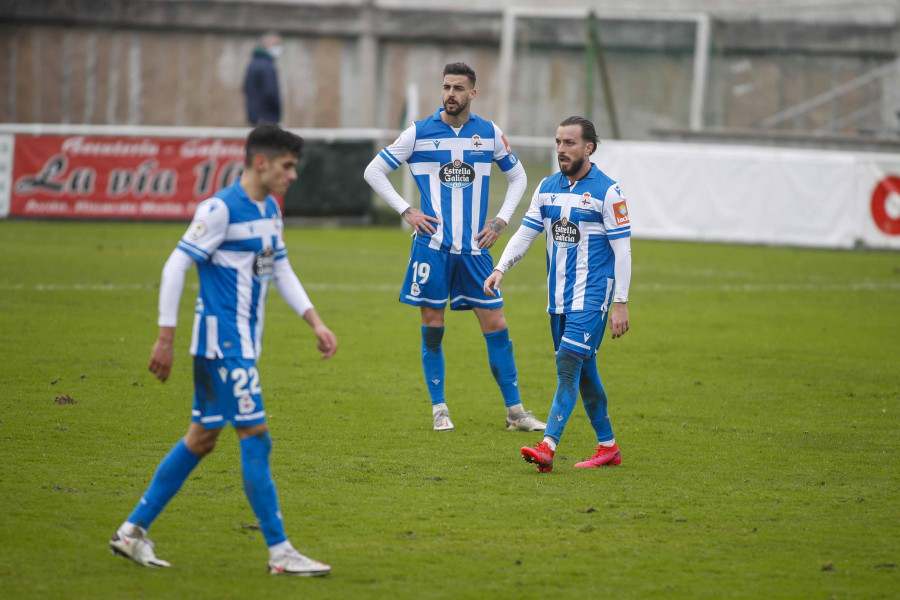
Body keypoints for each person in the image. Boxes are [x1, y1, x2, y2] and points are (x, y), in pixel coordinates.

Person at [110, 124, 336, 576]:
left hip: (241, 346)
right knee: (255, 436)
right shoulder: (219, 210)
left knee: (202, 438)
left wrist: (314, 320)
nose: (293, 175)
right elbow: (176, 264)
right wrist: (165, 337)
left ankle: (132, 533)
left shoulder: (270, 209)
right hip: (222, 346)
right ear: (261, 162)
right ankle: (280, 551)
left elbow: (279, 267)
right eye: (287, 166)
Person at [363, 62, 545, 433]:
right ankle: (439, 408)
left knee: (497, 324)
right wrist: (407, 210)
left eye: (458, 88)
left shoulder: (489, 134)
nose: (450, 94)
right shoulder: (419, 133)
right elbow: (373, 171)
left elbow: (519, 177)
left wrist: (499, 221)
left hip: (476, 252)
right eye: (446, 87)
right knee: (433, 325)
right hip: (432, 249)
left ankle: (515, 412)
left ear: (472, 94)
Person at [483, 116, 632, 472]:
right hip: (558, 300)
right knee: (583, 373)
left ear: (588, 148)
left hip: (593, 297)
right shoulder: (547, 187)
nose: (561, 150)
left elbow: (622, 250)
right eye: (558, 143)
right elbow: (525, 233)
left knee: (567, 363)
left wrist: (620, 303)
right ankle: (608, 446)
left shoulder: (608, 192)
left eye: (569, 143)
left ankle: (547, 447)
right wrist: (501, 268)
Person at [243, 32, 283, 125]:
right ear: (266, 45)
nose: (279, 48)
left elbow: (245, 87)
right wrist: (275, 112)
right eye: (276, 44)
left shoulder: (253, 63)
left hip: (254, 116)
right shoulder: (267, 66)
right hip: (267, 118)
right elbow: (271, 92)